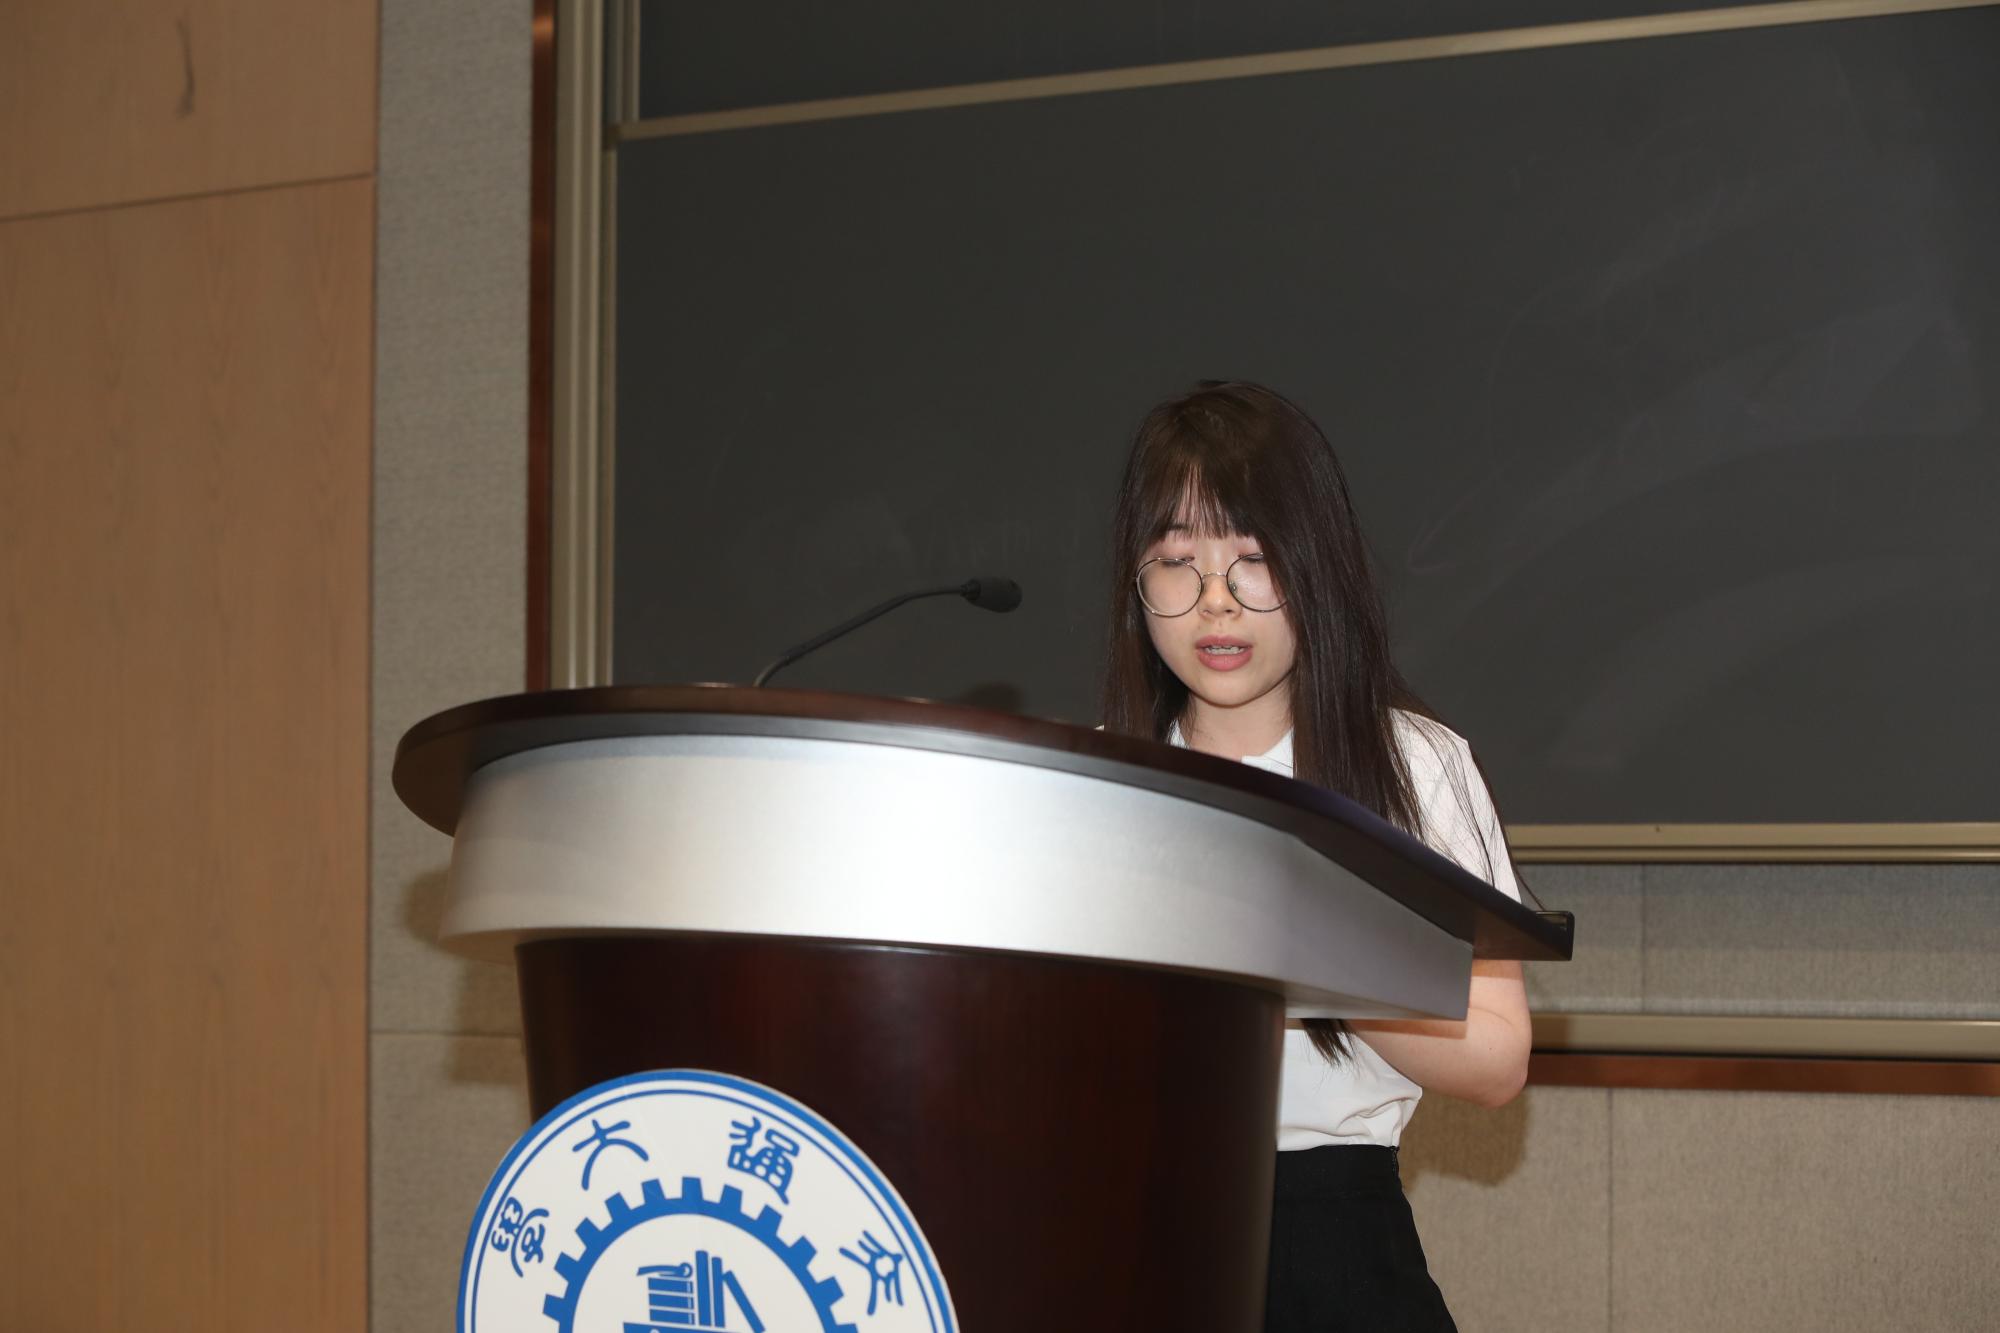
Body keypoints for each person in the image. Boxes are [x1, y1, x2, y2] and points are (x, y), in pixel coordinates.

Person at [1099, 380, 1534, 1333]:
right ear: (1138, 581)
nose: (1215, 603)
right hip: (1125, 1229)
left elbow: (1499, 1056)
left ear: (1316, 566)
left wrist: (1299, 954)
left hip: (1331, 1236)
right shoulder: (1097, 780)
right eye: (1177, 562)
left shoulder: (1412, 763)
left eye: (1254, 561)